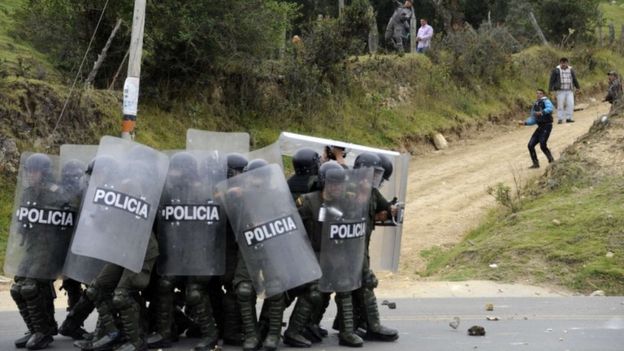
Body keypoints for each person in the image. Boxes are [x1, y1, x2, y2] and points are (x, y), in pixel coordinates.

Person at [519, 89, 555, 168]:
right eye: (537, 93)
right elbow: (533, 118)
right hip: (540, 126)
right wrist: (525, 123)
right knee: (530, 145)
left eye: (540, 93)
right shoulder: (535, 104)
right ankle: (535, 163)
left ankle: (551, 160)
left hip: (547, 125)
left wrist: (542, 112)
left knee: (542, 144)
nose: (538, 95)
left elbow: (550, 108)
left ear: (543, 94)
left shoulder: (546, 101)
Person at [548, 57, 580, 124]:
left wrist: (578, 87)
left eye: (565, 63)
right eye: (562, 63)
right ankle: (560, 119)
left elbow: (574, 79)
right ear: (560, 63)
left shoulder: (571, 70)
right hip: (560, 90)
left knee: (570, 104)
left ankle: (569, 118)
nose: (563, 64)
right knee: (560, 105)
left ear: (567, 63)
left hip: (569, 90)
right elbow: (551, 80)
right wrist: (550, 89)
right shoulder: (556, 70)